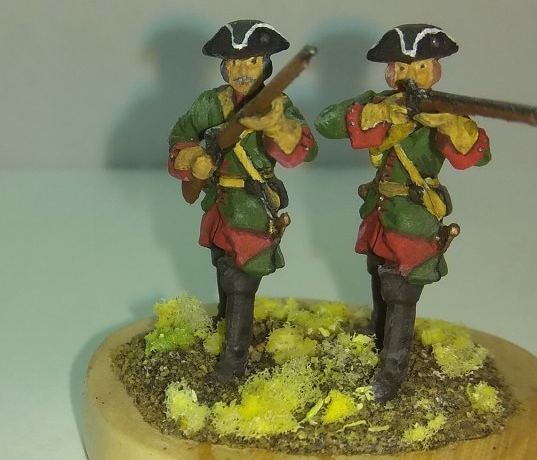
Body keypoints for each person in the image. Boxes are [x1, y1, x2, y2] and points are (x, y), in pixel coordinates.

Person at [315, 23, 491, 402]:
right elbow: (326, 123)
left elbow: (479, 156)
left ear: (436, 70)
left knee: (401, 292)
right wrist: (376, 113)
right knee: (377, 273)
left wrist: (453, 125)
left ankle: (392, 370)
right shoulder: (381, 102)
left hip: (413, 217)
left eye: (422, 67)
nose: (411, 75)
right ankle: (378, 335)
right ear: (390, 71)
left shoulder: (445, 110)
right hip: (379, 210)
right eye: (403, 67)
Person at [168, 20, 317, 380]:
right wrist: (194, 159)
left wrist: (277, 127)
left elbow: (305, 150)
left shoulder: (278, 105)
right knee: (222, 266)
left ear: (265, 64)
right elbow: (179, 138)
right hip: (219, 202)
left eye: (251, 61)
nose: (242, 70)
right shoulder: (211, 103)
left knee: (241, 282)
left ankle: (233, 363)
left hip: (253, 207)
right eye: (234, 62)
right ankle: (225, 324)